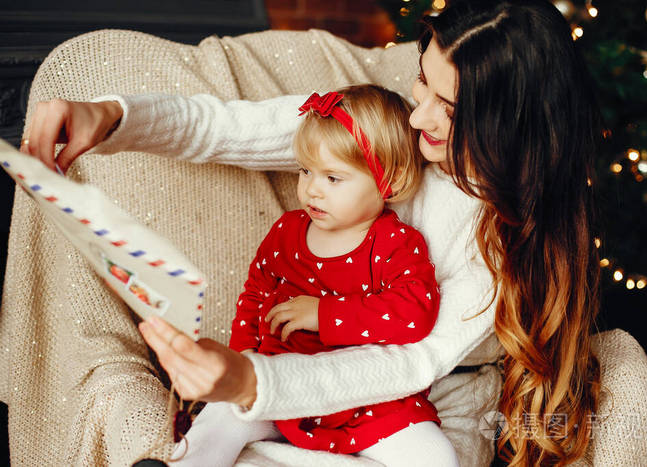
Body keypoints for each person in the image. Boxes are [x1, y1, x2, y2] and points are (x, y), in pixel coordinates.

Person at [21, 1, 603, 464]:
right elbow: (228, 128)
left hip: (417, 400)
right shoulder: (390, 127)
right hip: (298, 366)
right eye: (422, 82)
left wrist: (253, 378)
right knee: (221, 431)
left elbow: (408, 363)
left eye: (450, 110)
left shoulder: (500, 239)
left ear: (507, 124)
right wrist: (115, 117)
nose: (418, 113)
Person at [167, 84, 458, 466]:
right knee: (217, 422)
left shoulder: (397, 242)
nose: (311, 190)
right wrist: (245, 358)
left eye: (333, 178)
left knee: (436, 457)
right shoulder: (287, 231)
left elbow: (414, 311)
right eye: (305, 171)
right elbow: (254, 294)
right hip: (280, 389)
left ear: (390, 180)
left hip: (372, 403)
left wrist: (324, 314)